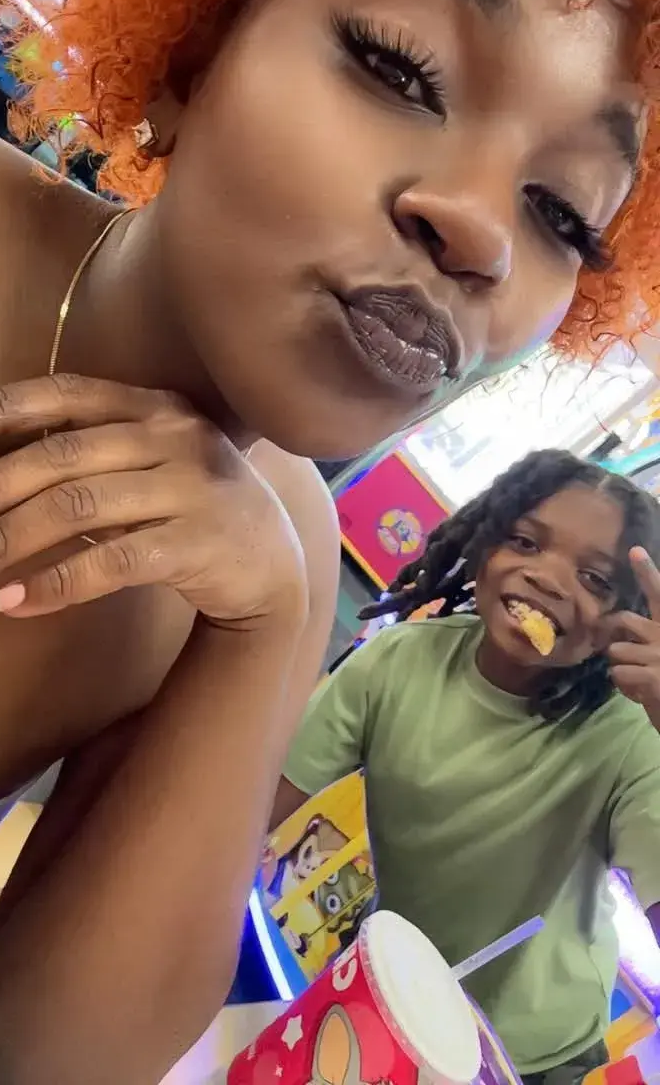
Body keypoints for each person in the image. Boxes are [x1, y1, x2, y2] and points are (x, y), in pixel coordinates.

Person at [0, 0, 660, 1079]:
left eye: (563, 211)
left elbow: (56, 1058)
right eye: (400, 67)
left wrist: (262, 631)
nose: (484, 235)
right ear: (195, 47)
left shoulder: (291, 548)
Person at [272, 450, 660, 1085]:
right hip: (391, 987)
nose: (548, 579)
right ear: (484, 543)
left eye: (595, 579)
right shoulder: (396, 662)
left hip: (530, 1055)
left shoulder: (631, 734)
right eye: (525, 541)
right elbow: (253, 809)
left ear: (628, 620)